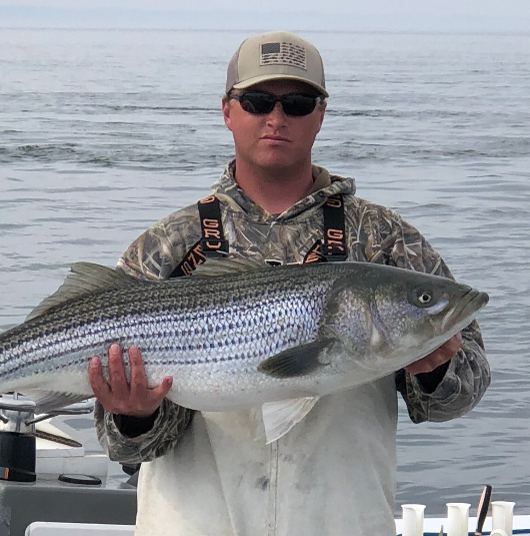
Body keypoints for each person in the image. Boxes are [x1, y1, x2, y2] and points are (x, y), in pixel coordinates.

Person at [88, 31, 490, 536]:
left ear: (321, 115)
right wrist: (133, 415)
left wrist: (436, 370)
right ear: (227, 111)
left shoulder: (384, 239)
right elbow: (124, 446)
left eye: (297, 103)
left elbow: (460, 394)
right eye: (257, 101)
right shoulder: (169, 247)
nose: (276, 118)